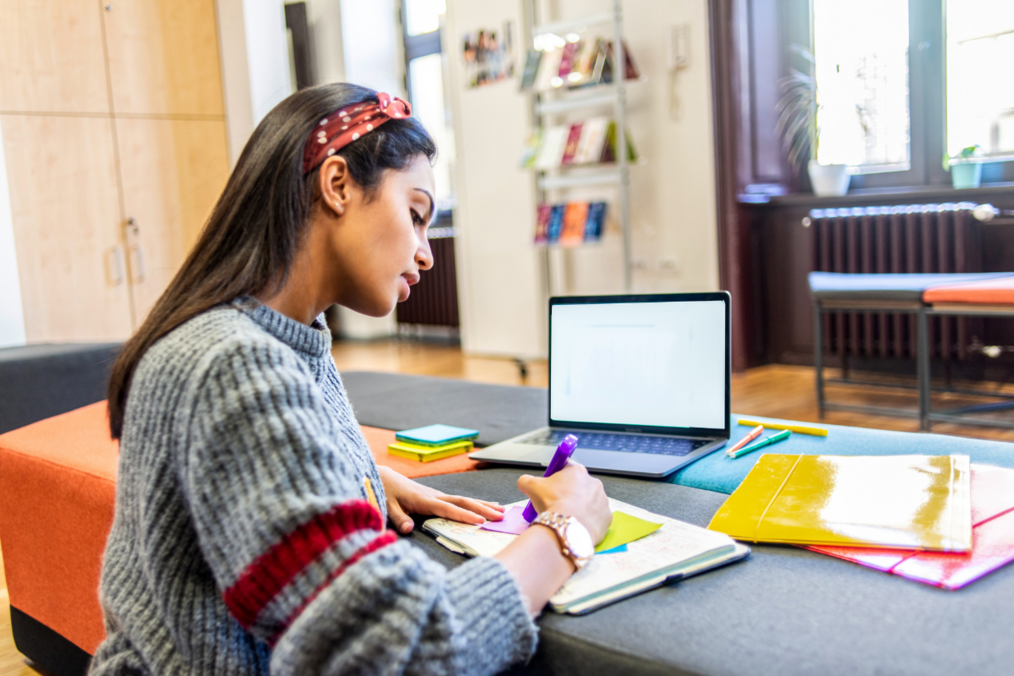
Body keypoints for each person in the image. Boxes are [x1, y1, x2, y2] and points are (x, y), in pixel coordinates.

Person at [89, 83, 612, 676]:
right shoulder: (232, 363)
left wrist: (350, 473)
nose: (426, 253)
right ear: (337, 184)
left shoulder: (276, 337)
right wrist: (566, 530)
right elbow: (397, 652)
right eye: (414, 215)